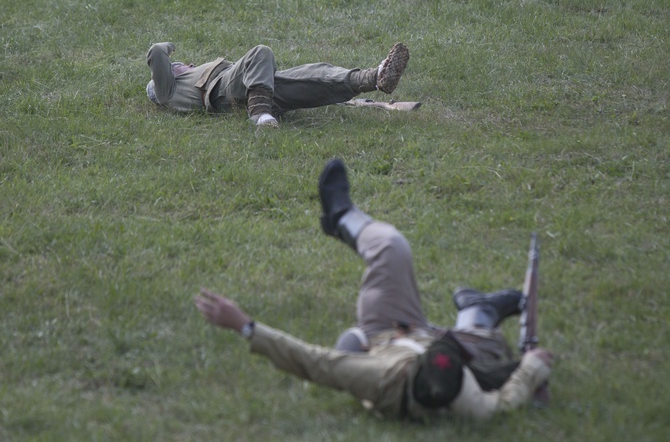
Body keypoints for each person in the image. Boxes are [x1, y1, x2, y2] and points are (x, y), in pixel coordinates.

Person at [195, 159, 553, 421]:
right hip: (420, 335)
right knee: (489, 345)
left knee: (380, 274)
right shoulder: (465, 392)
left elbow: (315, 362)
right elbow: (504, 401)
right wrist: (531, 368)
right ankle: (480, 309)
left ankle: (343, 222)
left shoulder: (380, 379)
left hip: (380, 337)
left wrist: (245, 325)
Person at [146, 42, 410, 127]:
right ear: (168, 74)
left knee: (314, 75)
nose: (188, 65)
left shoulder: (178, 85)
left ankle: (373, 77)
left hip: (251, 89)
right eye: (180, 64)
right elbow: (157, 51)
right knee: (260, 52)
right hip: (227, 90)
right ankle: (259, 113)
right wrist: (170, 49)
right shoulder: (166, 90)